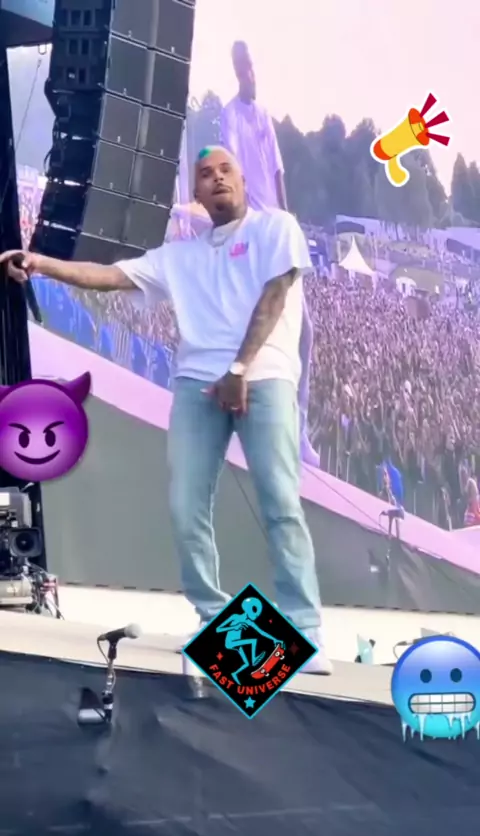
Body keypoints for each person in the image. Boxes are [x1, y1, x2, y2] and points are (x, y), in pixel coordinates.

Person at [0, 146, 331, 675]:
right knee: (185, 505)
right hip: (196, 383)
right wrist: (41, 264)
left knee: (279, 500)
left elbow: (274, 296)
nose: (217, 178)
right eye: (206, 174)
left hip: (263, 375)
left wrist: (240, 369)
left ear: (243, 180)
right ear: (195, 192)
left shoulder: (277, 228)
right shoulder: (180, 256)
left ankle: (304, 628)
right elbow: (107, 275)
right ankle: (214, 618)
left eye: (225, 170)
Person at [220, 41, 320, 469]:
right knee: (259, 328)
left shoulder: (264, 116)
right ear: (236, 71)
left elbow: (278, 173)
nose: (251, 75)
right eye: (244, 69)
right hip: (255, 234)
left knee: (304, 332)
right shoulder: (229, 116)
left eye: (253, 67)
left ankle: (298, 427)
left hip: (278, 231)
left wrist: (289, 220)